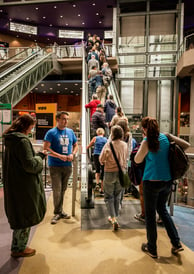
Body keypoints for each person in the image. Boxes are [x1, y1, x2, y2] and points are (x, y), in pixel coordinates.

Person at [134, 116, 190, 258]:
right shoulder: (165, 138)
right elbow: (186, 145)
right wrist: (170, 137)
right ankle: (176, 243)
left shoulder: (147, 142)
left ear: (145, 129)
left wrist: (144, 141)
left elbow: (137, 159)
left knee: (150, 215)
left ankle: (152, 248)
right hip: (166, 181)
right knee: (163, 210)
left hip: (151, 181)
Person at [3, 114, 47, 258]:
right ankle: (19, 248)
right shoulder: (22, 141)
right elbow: (30, 165)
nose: (31, 130)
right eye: (31, 126)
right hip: (25, 185)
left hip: (14, 184)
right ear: (27, 126)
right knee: (26, 215)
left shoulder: (9, 140)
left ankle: (17, 246)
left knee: (19, 215)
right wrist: (40, 157)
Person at [43, 111, 78, 225]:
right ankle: (57, 212)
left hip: (67, 166)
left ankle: (60, 211)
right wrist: (60, 156)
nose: (66, 121)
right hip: (55, 166)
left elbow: (76, 145)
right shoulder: (51, 133)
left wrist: (72, 153)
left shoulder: (70, 132)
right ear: (57, 119)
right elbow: (46, 149)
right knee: (57, 190)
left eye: (67, 119)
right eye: (63, 119)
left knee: (63, 189)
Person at [99, 125, 128, 231]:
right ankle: (116, 217)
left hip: (109, 172)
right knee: (117, 196)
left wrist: (106, 158)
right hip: (121, 173)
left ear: (112, 134)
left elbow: (101, 159)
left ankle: (113, 218)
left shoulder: (108, 144)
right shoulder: (125, 145)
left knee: (108, 197)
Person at [87, 128, 107, 193]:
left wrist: (85, 149)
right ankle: (102, 188)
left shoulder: (95, 138)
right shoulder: (106, 139)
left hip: (96, 155)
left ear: (97, 133)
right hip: (103, 156)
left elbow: (89, 146)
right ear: (103, 133)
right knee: (103, 171)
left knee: (97, 170)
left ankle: (97, 183)